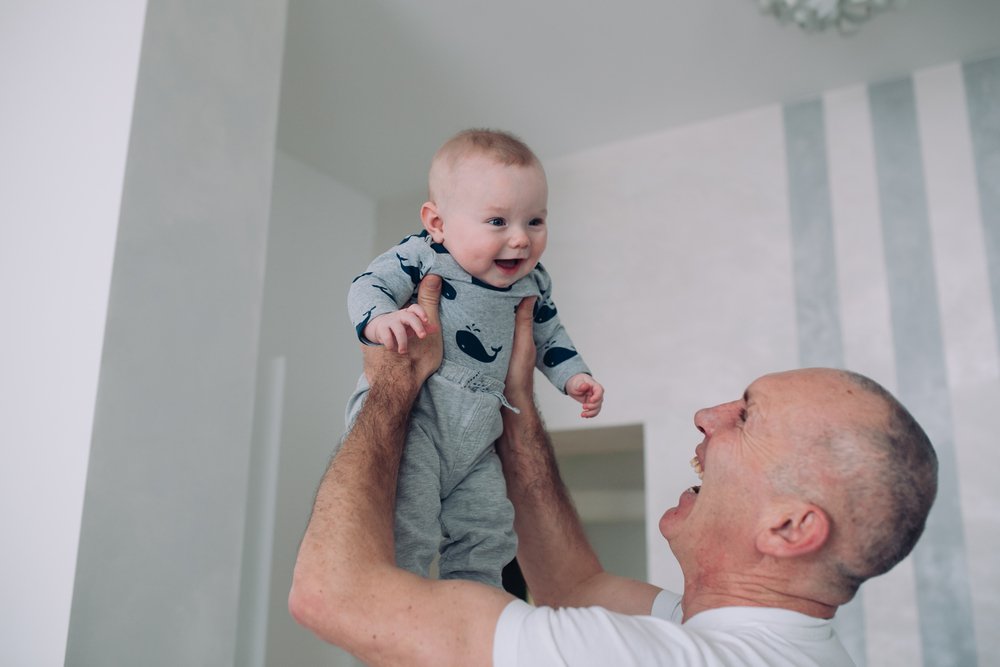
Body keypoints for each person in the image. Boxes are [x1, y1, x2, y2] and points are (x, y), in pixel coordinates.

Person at [290, 276, 938, 666]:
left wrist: (392, 387)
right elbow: (575, 581)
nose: (707, 415)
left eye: (747, 416)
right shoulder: (760, 641)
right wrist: (516, 398)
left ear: (792, 526)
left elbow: (333, 595)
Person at [344, 129, 604, 588]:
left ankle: (478, 606)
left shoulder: (534, 283)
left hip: (482, 431)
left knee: (488, 530)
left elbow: (550, 335)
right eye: (498, 222)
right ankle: (406, 601)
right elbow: (369, 284)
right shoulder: (425, 254)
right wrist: (380, 320)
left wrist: (573, 376)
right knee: (411, 522)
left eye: (535, 222)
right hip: (418, 417)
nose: (520, 240)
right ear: (438, 223)